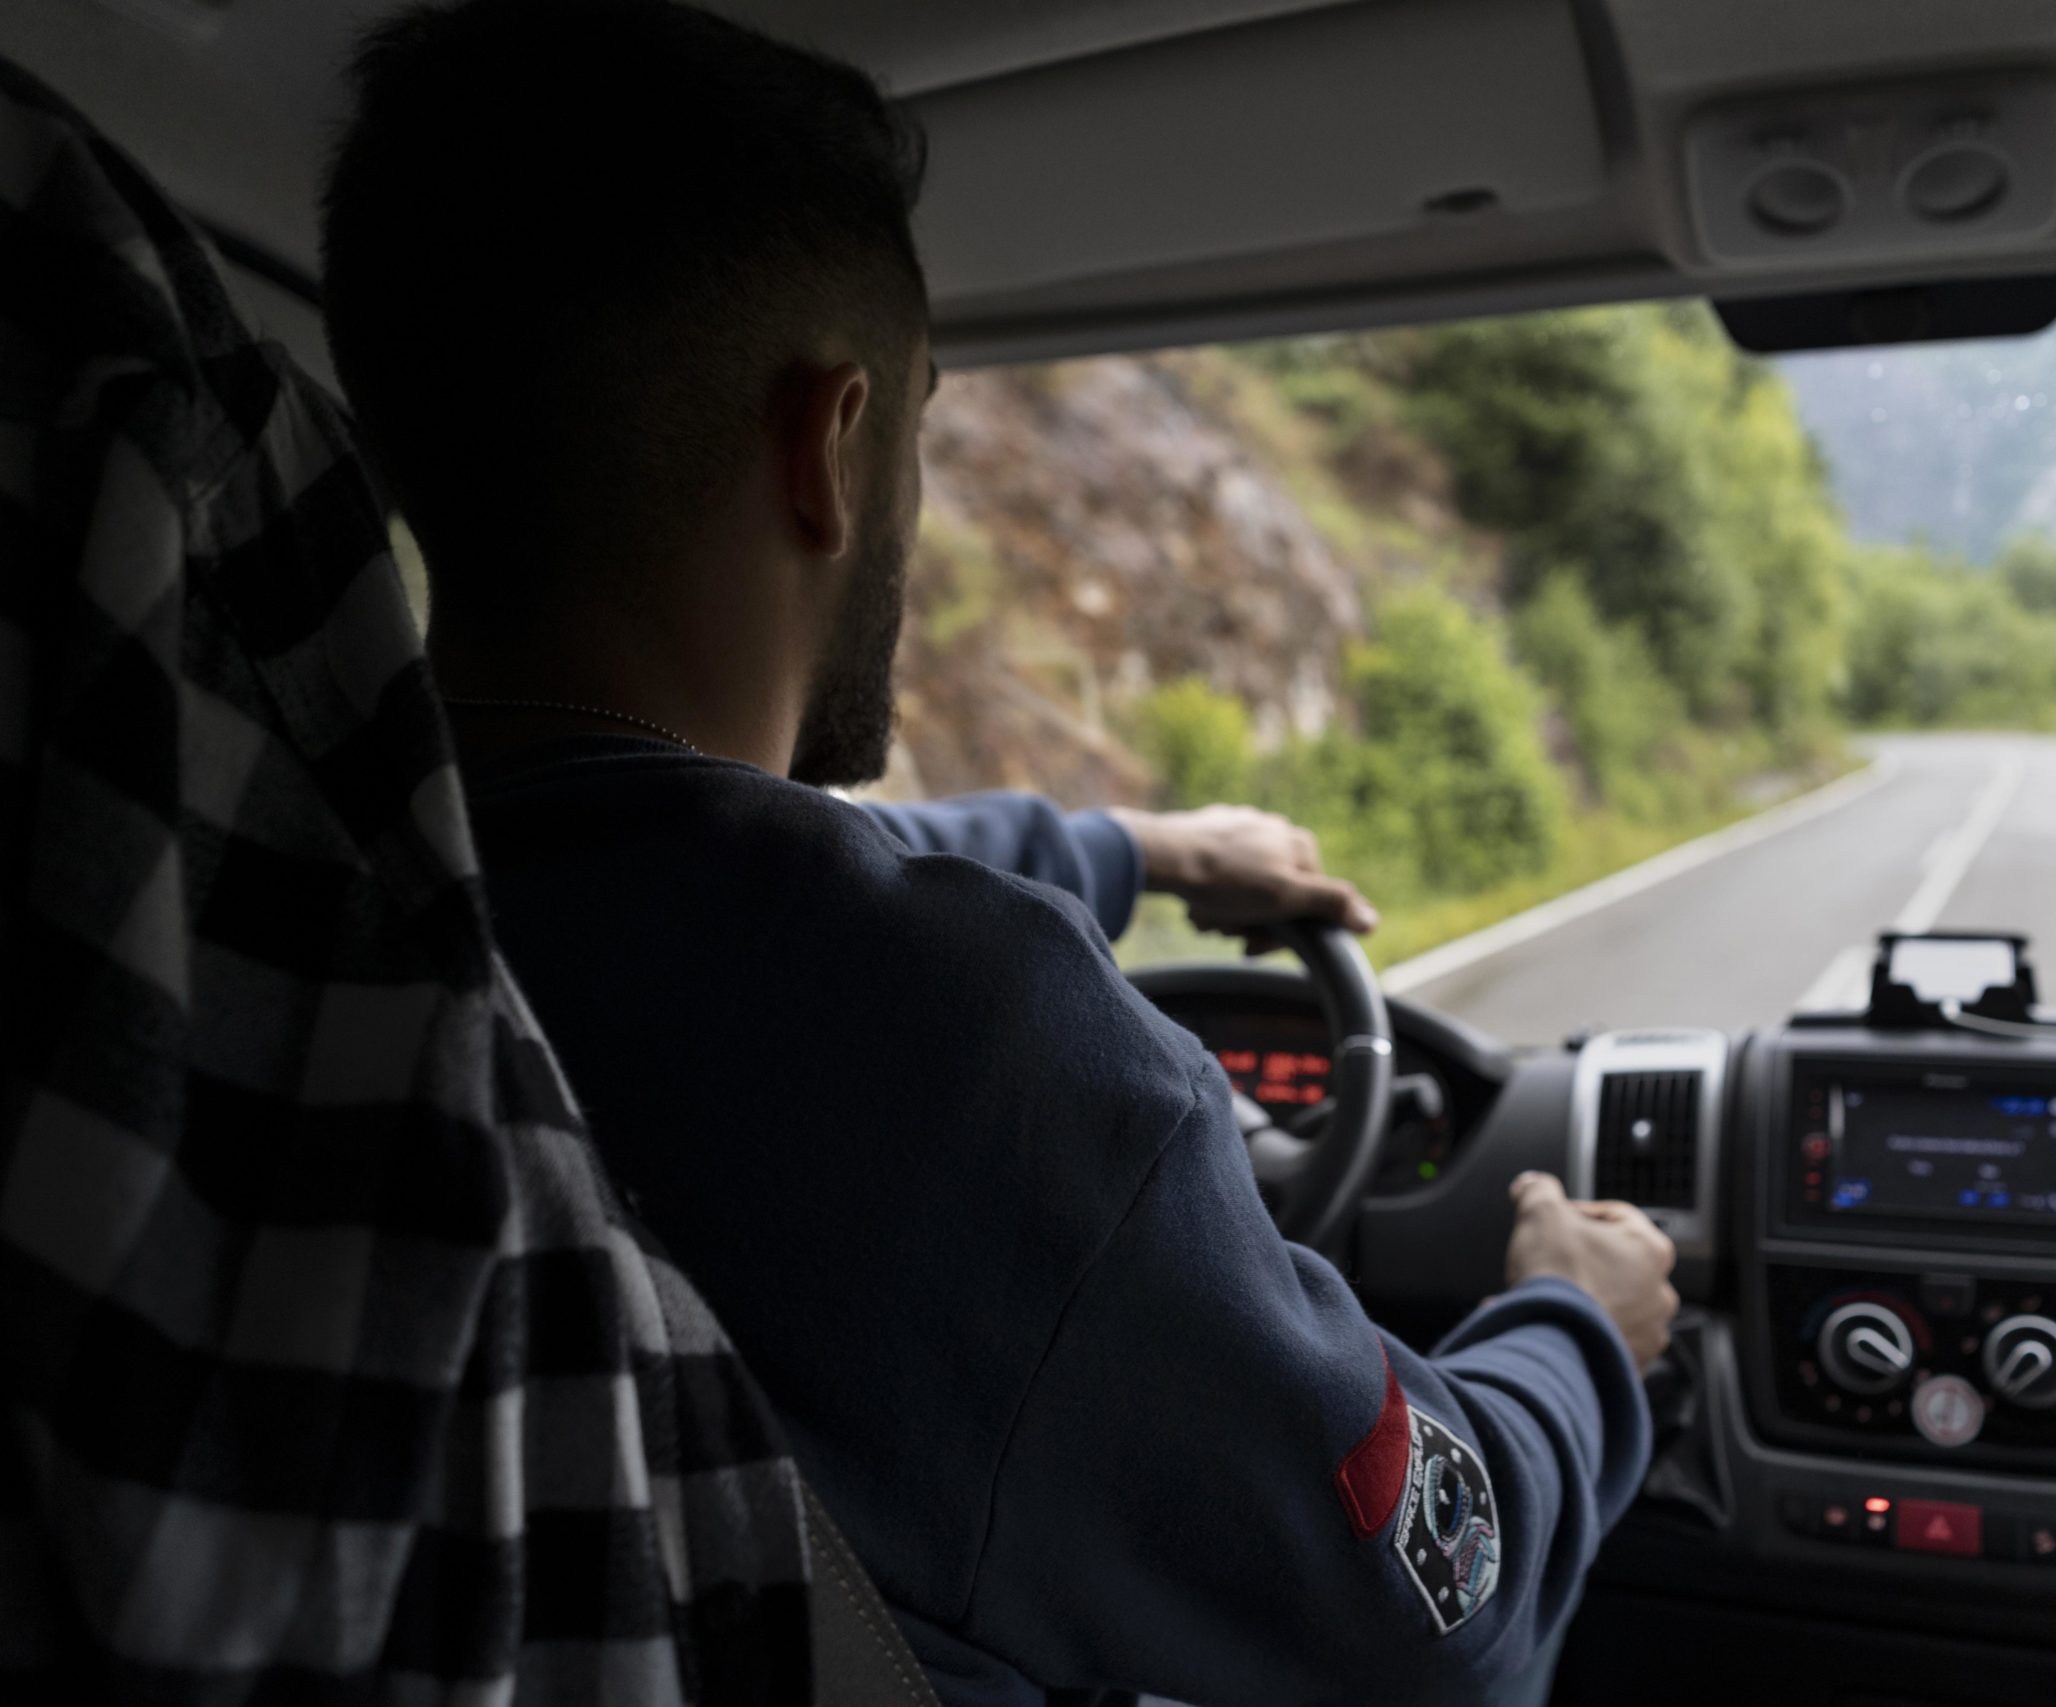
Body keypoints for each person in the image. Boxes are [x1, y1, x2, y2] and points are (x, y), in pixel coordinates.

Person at [319, 2, 1677, 1701]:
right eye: (922, 435)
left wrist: (1134, 847)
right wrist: (1577, 1332)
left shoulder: (314, 868)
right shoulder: (974, 1055)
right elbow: (1441, 1618)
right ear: (830, 447)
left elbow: (686, 855)